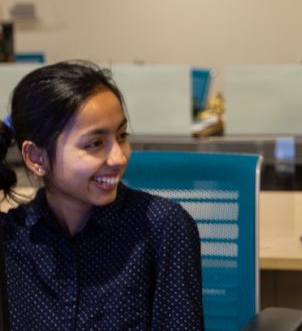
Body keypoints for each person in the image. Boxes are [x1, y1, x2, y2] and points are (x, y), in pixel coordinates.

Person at [0, 61, 204, 330]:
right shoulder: (12, 239)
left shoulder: (162, 227)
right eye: (95, 143)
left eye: (121, 136)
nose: (119, 157)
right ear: (36, 157)